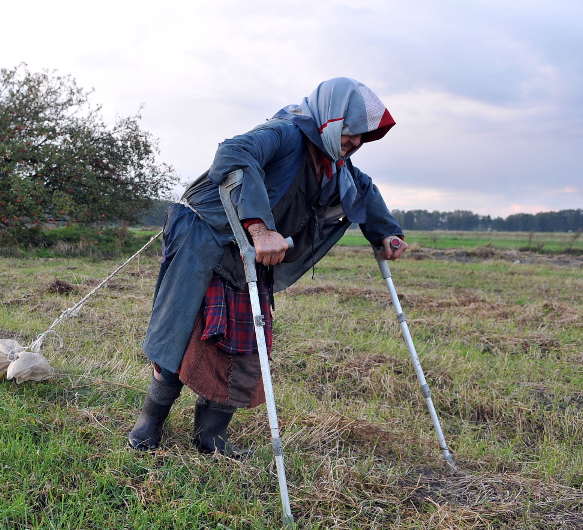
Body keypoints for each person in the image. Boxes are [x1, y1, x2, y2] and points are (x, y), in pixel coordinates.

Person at [129, 77, 407, 457]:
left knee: (244, 344)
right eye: (351, 133)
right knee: (179, 333)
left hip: (254, 254)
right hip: (206, 239)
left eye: (362, 137)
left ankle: (210, 437)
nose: (355, 143)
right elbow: (233, 153)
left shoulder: (336, 164)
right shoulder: (284, 133)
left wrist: (387, 233)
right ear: (331, 119)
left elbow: (363, 190)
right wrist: (259, 227)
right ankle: (149, 425)